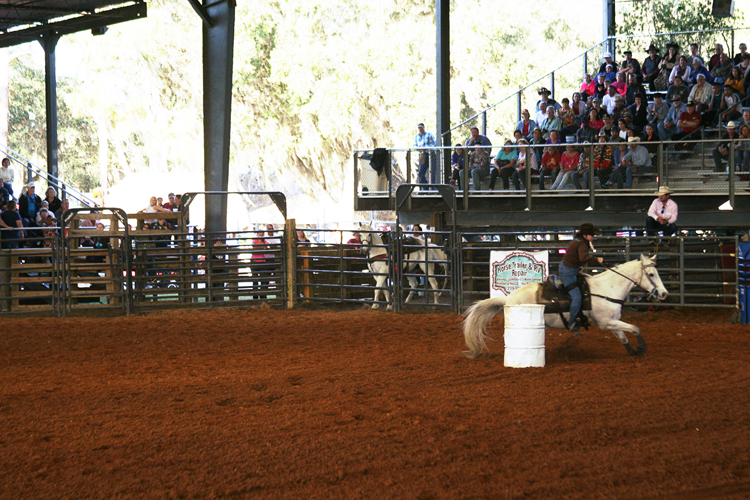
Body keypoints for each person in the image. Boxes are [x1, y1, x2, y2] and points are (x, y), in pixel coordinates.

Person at [559, 223, 604, 333]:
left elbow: (576, 257)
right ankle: (572, 323)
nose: (593, 237)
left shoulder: (578, 241)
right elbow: (583, 257)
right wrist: (596, 260)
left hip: (569, 269)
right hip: (568, 272)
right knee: (577, 297)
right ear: (585, 235)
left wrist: (577, 267)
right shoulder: (582, 244)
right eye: (592, 235)